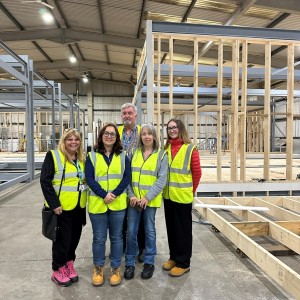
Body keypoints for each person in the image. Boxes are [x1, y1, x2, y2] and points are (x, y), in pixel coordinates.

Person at [40, 128, 87, 287]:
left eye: (76, 139)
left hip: (79, 207)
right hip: (61, 208)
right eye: (70, 139)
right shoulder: (53, 156)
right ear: (64, 141)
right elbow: (45, 181)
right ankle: (57, 269)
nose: (73, 142)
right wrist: (54, 204)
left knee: (74, 239)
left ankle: (69, 263)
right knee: (62, 240)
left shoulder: (81, 158)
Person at [85, 123, 130, 287]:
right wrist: (104, 194)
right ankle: (98, 268)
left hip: (117, 205)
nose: (109, 136)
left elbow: (127, 178)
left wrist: (114, 194)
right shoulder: (92, 156)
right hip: (98, 204)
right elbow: (89, 178)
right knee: (99, 238)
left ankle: (115, 268)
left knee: (117, 238)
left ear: (117, 137)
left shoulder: (123, 155)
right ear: (101, 135)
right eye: (106, 133)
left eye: (113, 133)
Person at [124, 123, 168, 280]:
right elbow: (126, 177)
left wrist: (147, 197)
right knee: (131, 232)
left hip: (150, 202)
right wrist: (132, 196)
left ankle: (149, 262)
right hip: (134, 201)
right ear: (140, 137)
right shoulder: (133, 153)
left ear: (154, 136)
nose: (146, 136)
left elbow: (161, 180)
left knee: (149, 231)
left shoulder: (161, 155)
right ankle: (130, 262)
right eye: (143, 134)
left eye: (149, 133)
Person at [162, 118, 202, 277]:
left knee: (183, 231)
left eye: (174, 127)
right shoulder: (166, 149)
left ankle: (184, 262)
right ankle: (174, 257)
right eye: (169, 128)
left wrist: (191, 192)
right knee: (172, 229)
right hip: (168, 196)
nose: (171, 130)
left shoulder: (190, 149)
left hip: (183, 197)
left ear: (180, 129)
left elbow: (197, 173)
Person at [118, 103, 145, 261]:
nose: (127, 115)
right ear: (121, 116)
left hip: (137, 181)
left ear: (135, 115)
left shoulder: (142, 131)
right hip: (119, 181)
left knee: (139, 218)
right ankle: (120, 246)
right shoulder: (116, 132)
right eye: (124, 113)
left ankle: (141, 248)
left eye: (130, 113)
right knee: (120, 217)